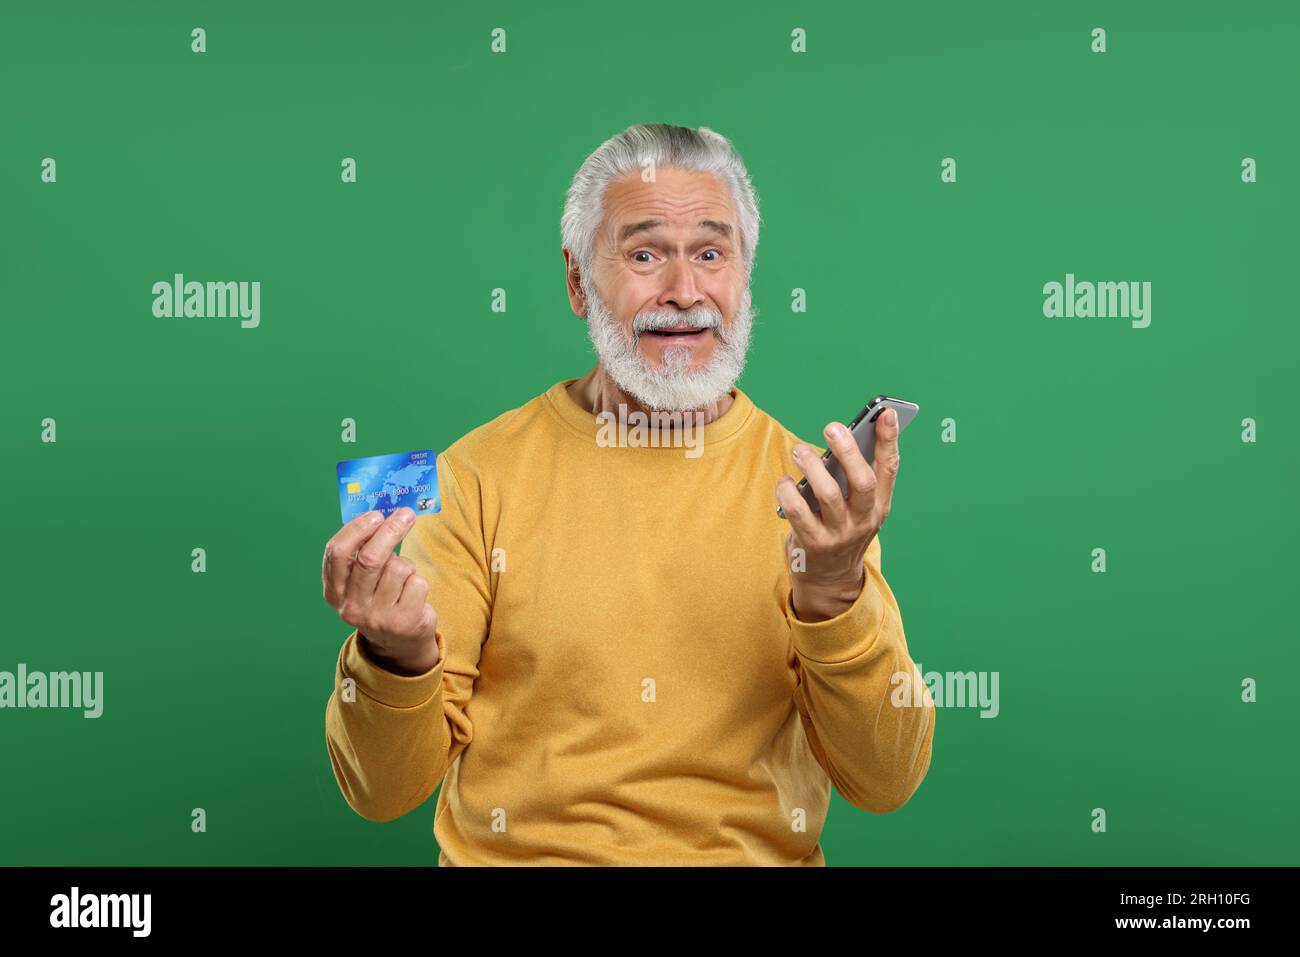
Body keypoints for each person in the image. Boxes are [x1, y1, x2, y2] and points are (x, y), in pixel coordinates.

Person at [322, 123, 934, 865]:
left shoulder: (817, 502)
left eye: (711, 253)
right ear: (578, 280)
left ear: (746, 274)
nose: (684, 292)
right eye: (645, 254)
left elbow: (886, 779)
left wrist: (835, 591)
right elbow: (381, 793)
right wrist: (396, 656)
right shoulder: (471, 478)